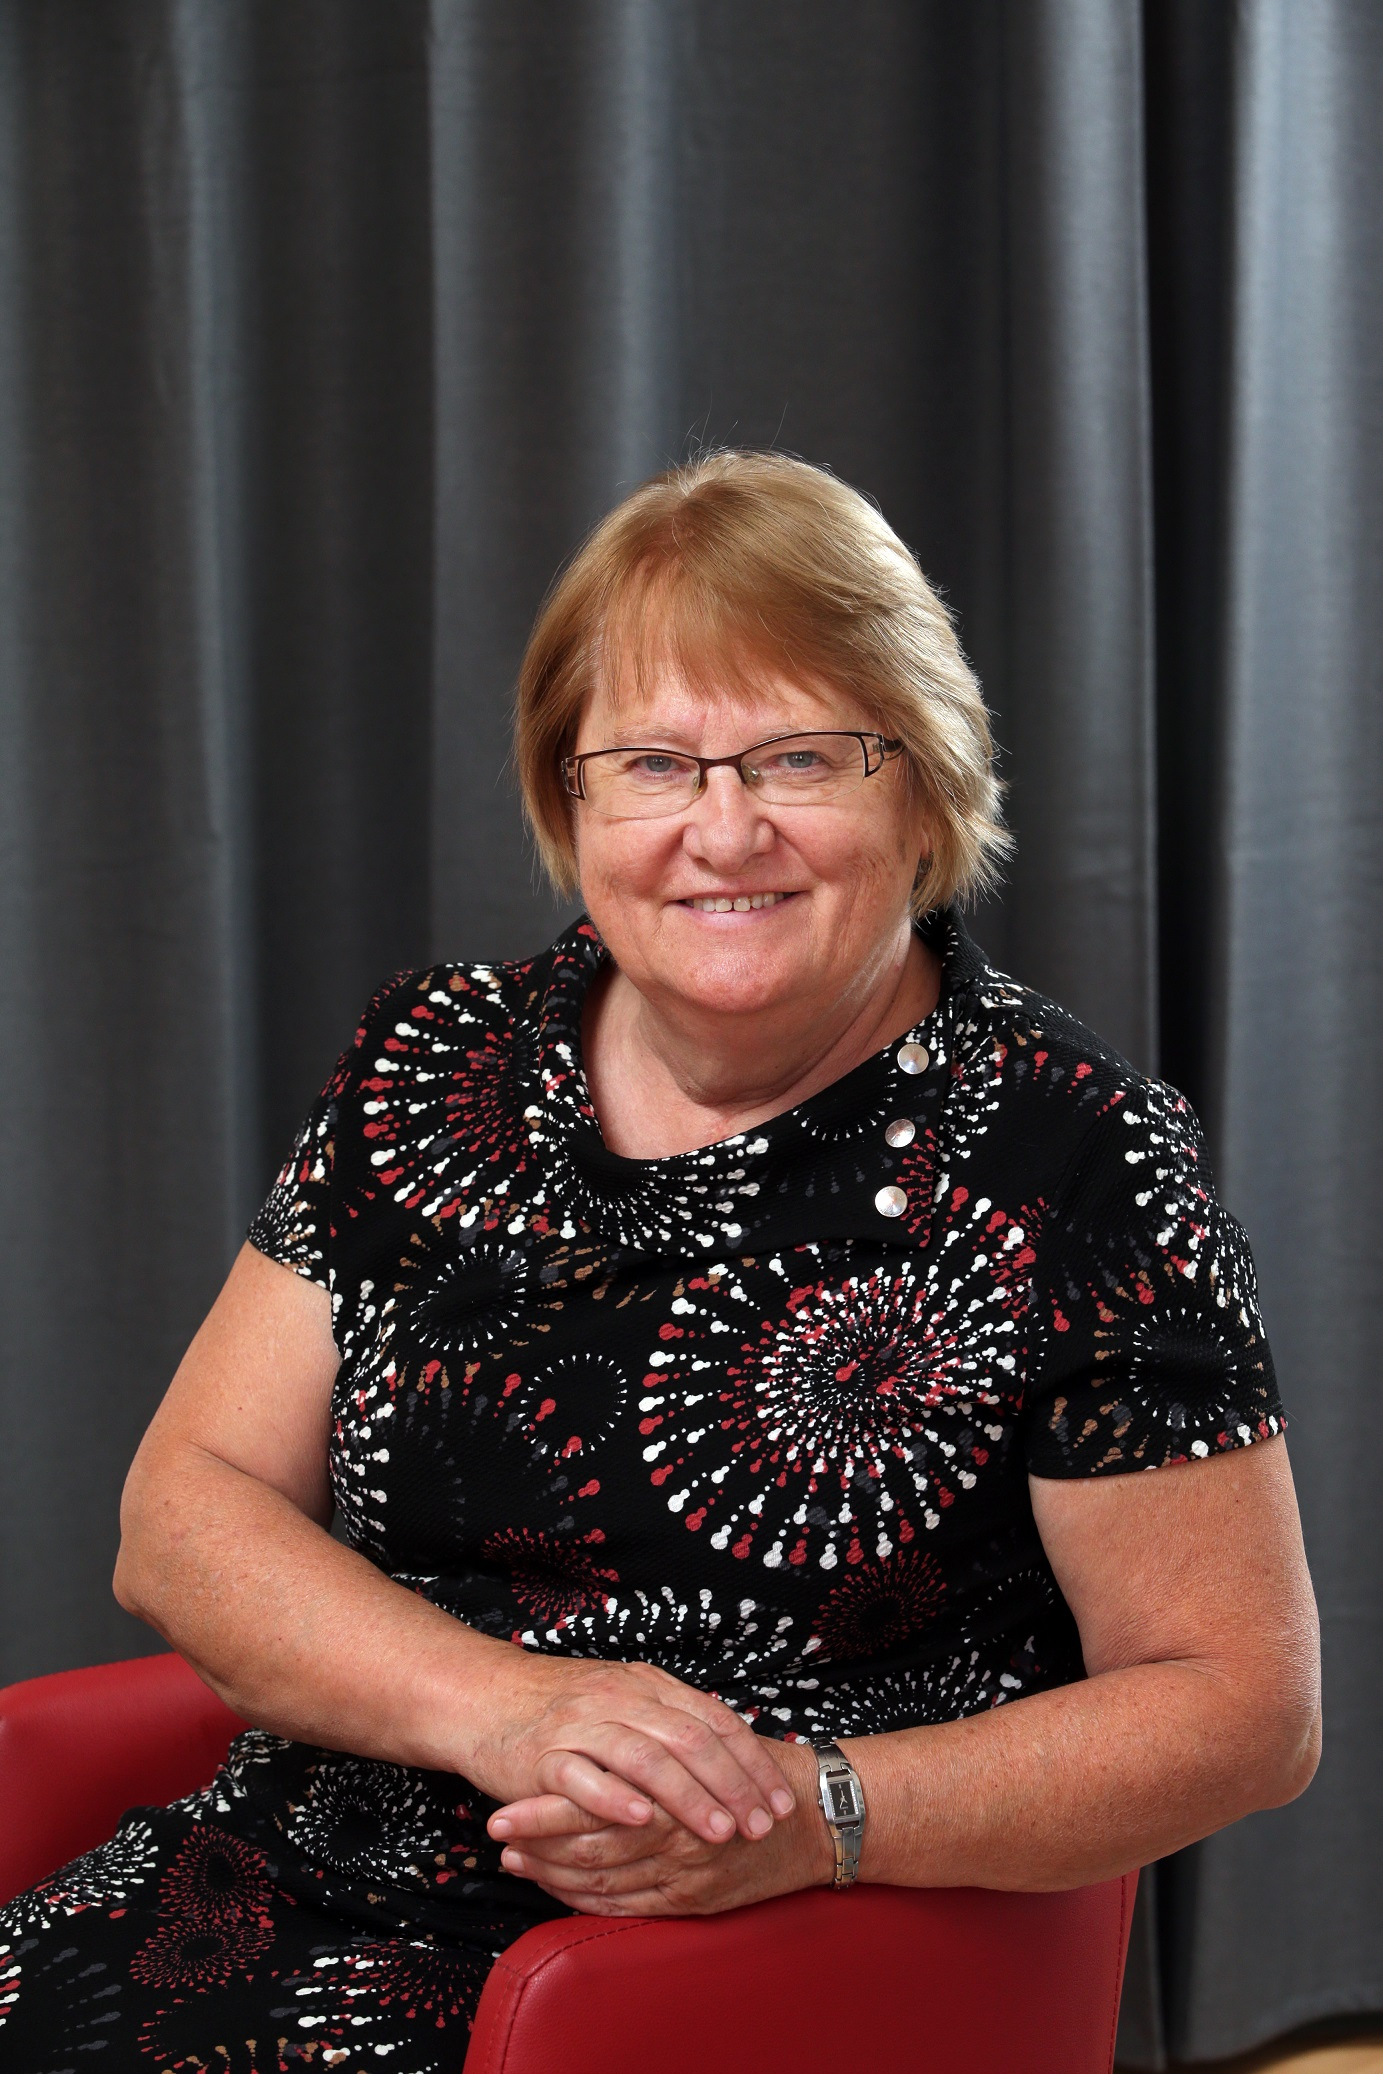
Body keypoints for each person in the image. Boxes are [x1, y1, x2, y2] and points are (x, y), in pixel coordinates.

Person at [0, 450, 1320, 2071]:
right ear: (573, 799)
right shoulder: (436, 1062)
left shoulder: (1074, 1152)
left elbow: (1240, 1704)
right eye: (653, 763)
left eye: (801, 757)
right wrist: (507, 1707)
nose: (724, 829)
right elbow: (182, 1514)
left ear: (922, 787)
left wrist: (814, 1815)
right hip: (273, 1880)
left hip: (728, 1951)